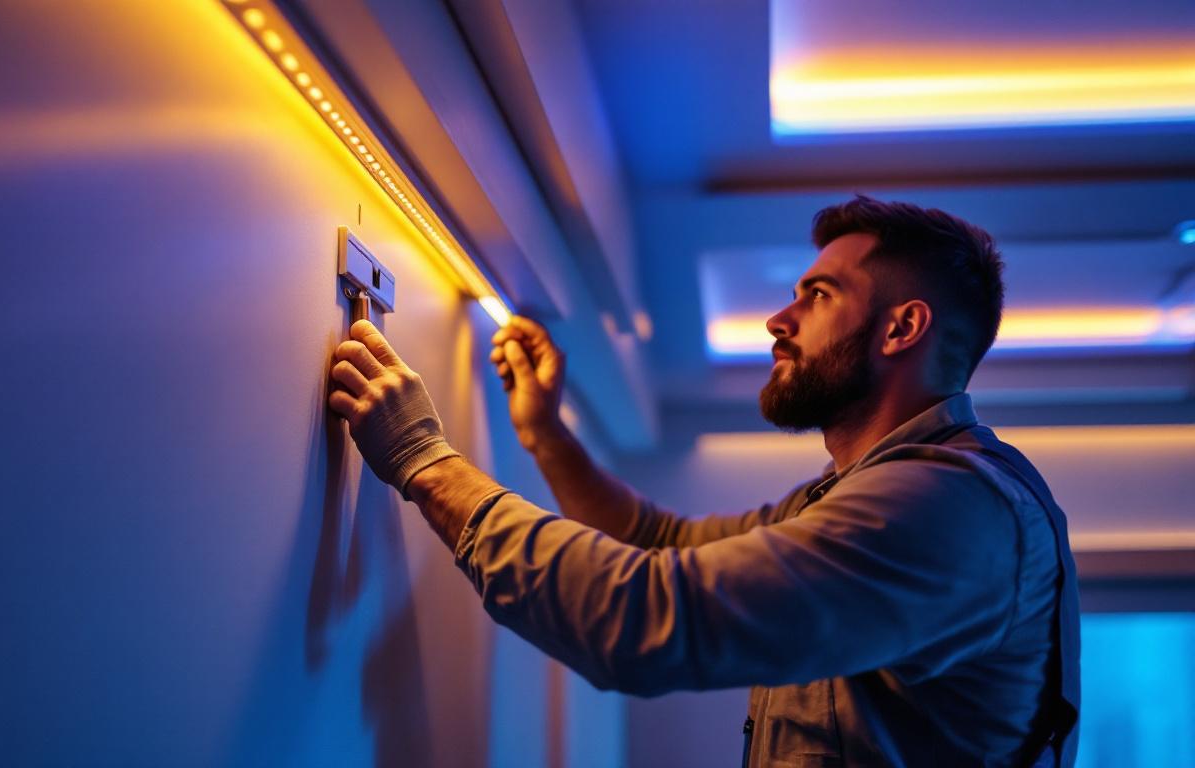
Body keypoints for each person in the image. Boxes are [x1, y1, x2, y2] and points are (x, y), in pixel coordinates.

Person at [327, 195, 1080, 767]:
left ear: (901, 329)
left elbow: (649, 620)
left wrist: (426, 462)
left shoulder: (949, 509)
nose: (776, 320)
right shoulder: (850, 494)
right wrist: (545, 435)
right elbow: (661, 544)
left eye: (818, 296)